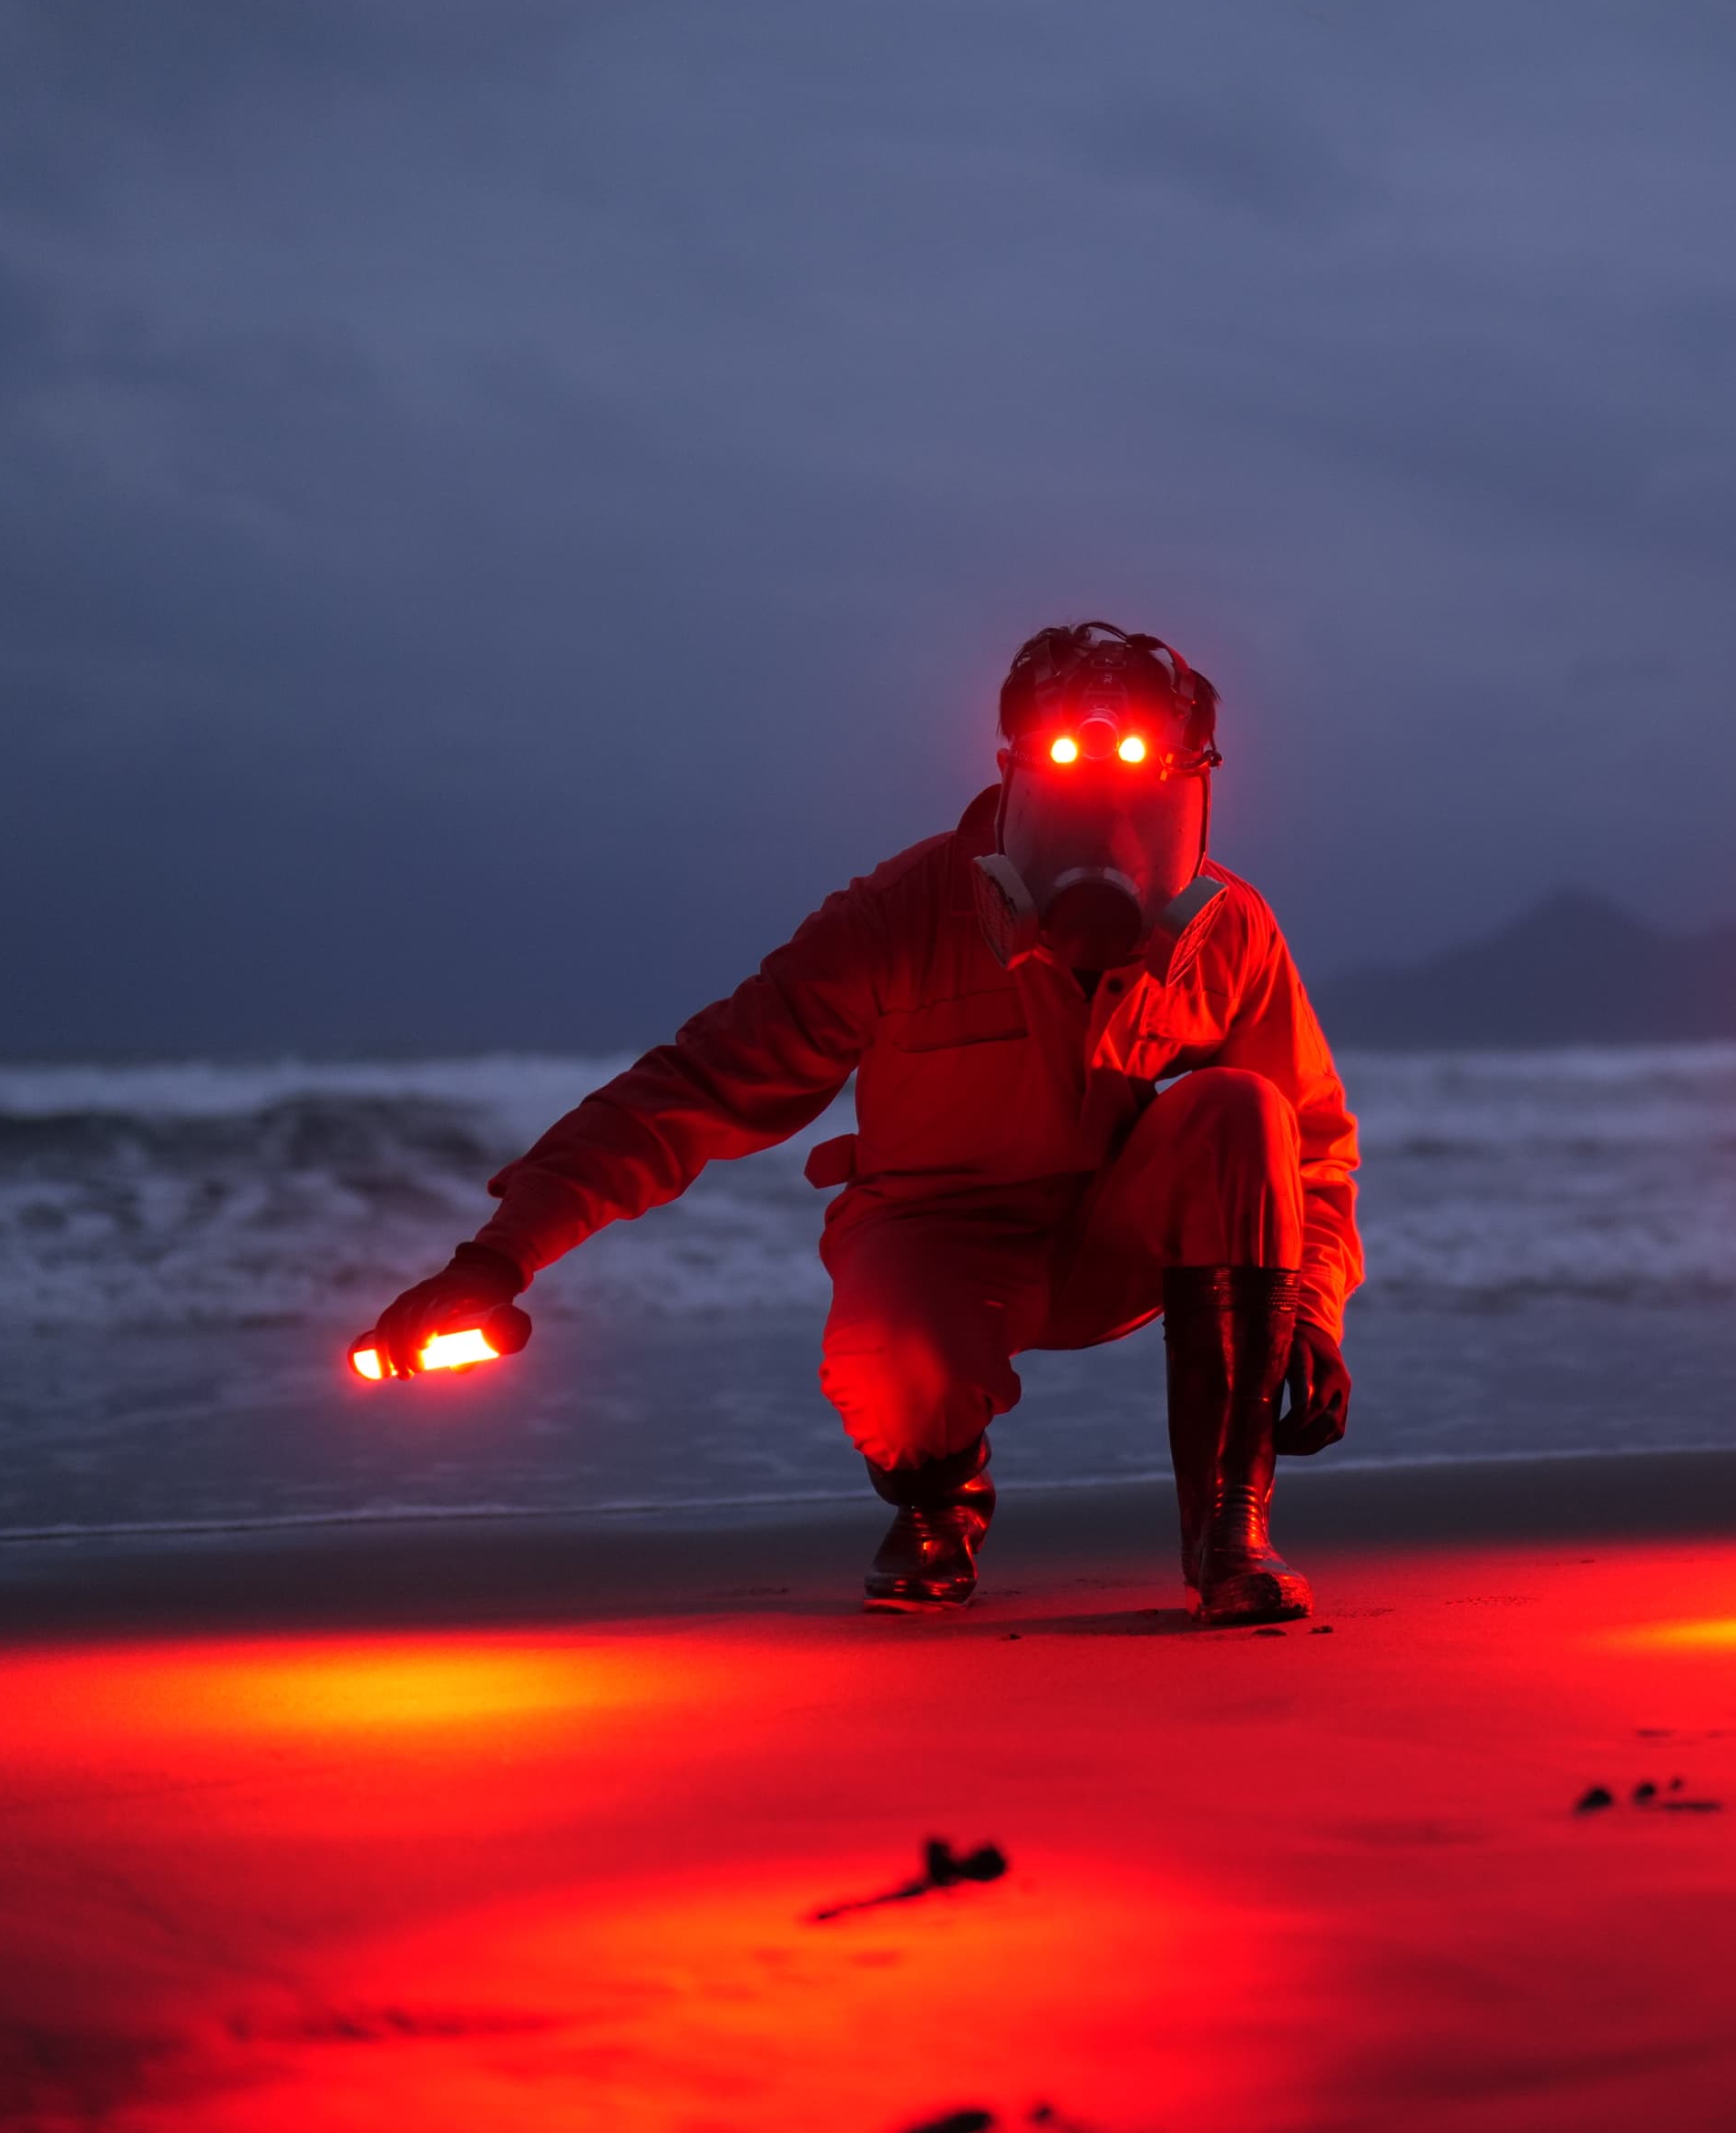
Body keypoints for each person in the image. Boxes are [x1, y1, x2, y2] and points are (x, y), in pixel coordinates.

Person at [358, 622, 1361, 1622]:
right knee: (895, 1375)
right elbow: (694, 1087)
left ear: (1193, 795)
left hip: (1122, 1242)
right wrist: (495, 1261)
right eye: (1071, 781)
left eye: (1143, 792)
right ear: (1015, 775)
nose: (1109, 828)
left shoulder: (1230, 931)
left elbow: (1309, 1143)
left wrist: (1309, 1306)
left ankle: (1233, 1527)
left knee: (1245, 1108)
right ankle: (938, 1496)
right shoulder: (896, 919)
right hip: (939, 1237)